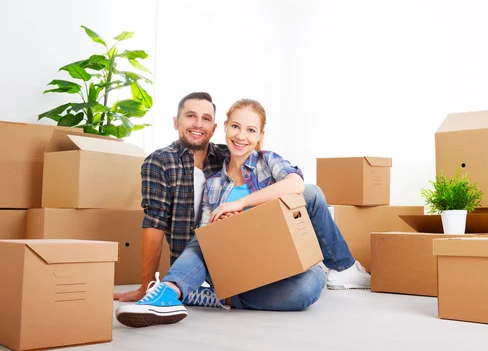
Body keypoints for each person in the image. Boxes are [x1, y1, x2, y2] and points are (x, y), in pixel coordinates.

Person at [113, 93, 370, 309]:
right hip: (231, 263)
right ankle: (166, 292)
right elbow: (198, 236)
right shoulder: (214, 181)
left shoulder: (267, 162)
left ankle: (218, 298)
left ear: (259, 135)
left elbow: (297, 185)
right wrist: (222, 223)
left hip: (272, 258)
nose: (241, 136)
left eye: (250, 130)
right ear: (224, 128)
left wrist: (241, 206)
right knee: (203, 236)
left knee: (310, 283)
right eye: (235, 127)